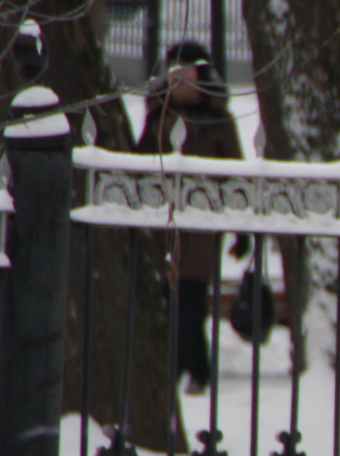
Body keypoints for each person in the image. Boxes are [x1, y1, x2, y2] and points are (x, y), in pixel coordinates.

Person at [136, 40, 245, 395]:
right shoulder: (158, 115)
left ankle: (191, 370)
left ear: (202, 75)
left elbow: (235, 175)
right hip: (162, 223)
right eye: (173, 72)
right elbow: (139, 164)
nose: (179, 79)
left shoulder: (218, 119)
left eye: (186, 71)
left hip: (202, 223)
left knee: (191, 297)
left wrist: (242, 229)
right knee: (168, 297)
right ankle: (184, 367)